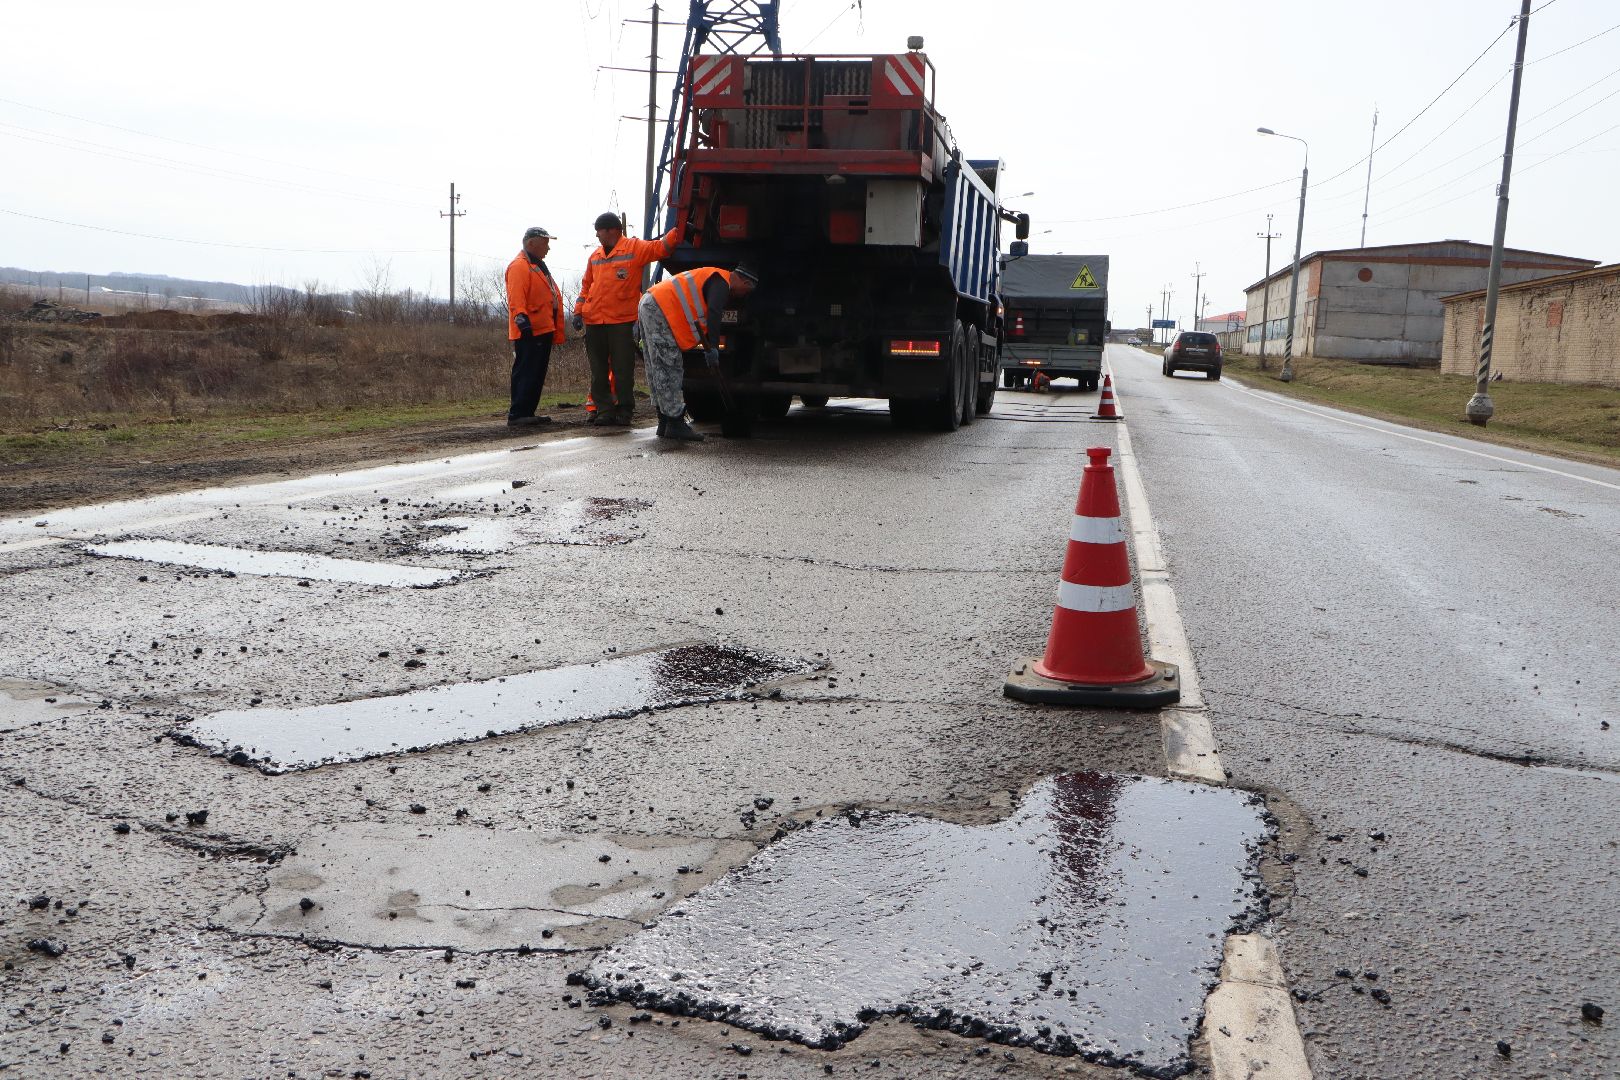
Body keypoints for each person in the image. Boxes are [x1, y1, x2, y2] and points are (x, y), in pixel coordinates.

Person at [572, 212, 681, 426]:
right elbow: (586, 287)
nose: (597, 236)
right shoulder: (594, 256)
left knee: (623, 371)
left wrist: (679, 225)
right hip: (594, 321)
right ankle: (604, 411)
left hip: (621, 322)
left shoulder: (634, 248)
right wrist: (578, 311)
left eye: (599, 231)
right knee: (598, 371)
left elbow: (662, 248)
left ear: (612, 230)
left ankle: (624, 410)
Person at [637, 266, 759, 442]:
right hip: (659, 308)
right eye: (747, 290)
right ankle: (674, 422)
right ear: (744, 281)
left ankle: (664, 421)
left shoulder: (713, 277)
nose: (744, 294)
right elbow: (714, 313)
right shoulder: (721, 282)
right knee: (669, 367)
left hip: (651, 303)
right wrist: (713, 349)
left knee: (657, 366)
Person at [504, 227, 566, 427]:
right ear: (531, 244)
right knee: (526, 370)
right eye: (545, 243)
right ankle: (518, 414)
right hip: (530, 329)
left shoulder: (537, 266)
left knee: (536, 372)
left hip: (543, 328)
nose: (548, 248)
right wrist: (523, 322)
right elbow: (516, 297)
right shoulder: (520, 266)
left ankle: (527, 412)